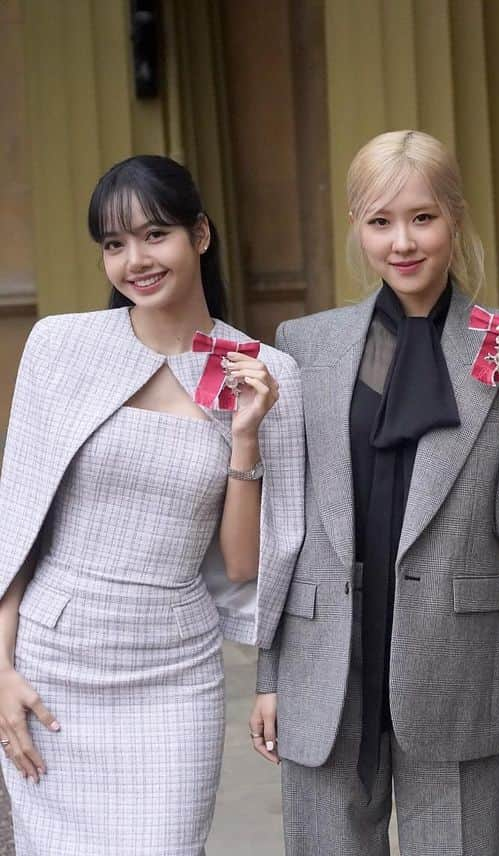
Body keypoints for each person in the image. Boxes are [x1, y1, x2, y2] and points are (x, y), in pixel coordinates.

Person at [248, 129, 499, 855]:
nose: (402, 243)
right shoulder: (306, 344)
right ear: (356, 227)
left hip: (453, 659)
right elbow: (284, 524)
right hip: (325, 655)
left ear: (455, 217)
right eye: (380, 221)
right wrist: (270, 671)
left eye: (422, 217)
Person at [0, 154, 305, 854]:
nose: (134, 259)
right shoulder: (59, 346)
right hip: (53, 667)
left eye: (154, 234)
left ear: (200, 235)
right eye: (114, 243)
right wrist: (2, 670)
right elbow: (17, 522)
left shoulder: (265, 371)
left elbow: (243, 561)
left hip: (173, 673)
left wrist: (246, 435)